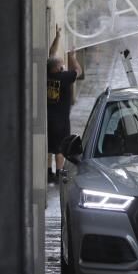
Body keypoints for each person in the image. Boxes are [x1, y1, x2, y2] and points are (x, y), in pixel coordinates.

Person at [47, 25, 81, 183]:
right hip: (61, 120)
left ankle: (48, 172)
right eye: (61, 64)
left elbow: (51, 54)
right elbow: (78, 71)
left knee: (49, 145)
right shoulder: (65, 77)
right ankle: (59, 173)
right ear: (58, 67)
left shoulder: (47, 73)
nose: (63, 65)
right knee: (60, 147)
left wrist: (58, 37)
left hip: (48, 117)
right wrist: (73, 56)